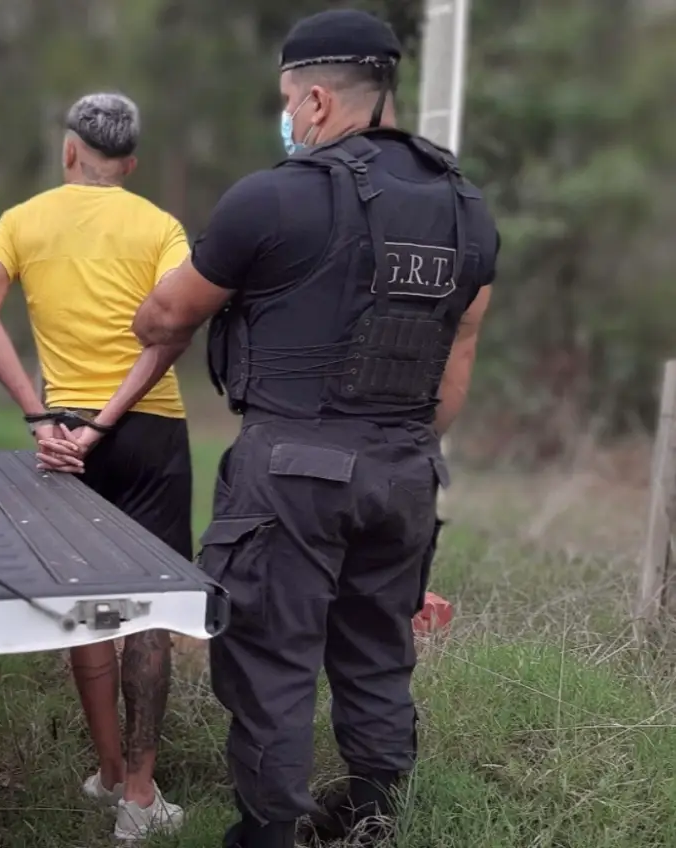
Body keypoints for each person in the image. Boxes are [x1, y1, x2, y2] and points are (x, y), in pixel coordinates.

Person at [127, 11, 500, 848]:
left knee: (271, 661)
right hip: (407, 468)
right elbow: (457, 363)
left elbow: (164, 316)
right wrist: (393, 442)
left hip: (291, 469)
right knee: (377, 655)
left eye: (290, 103)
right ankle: (372, 819)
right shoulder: (467, 212)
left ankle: (271, 834)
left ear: (320, 99)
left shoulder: (273, 198)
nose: (288, 118)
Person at [0, 92, 193, 841]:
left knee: (86, 603)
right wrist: (110, 417)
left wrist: (42, 415)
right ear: (129, 163)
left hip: (62, 432)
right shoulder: (160, 226)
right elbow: (175, 330)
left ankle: (104, 769)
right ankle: (138, 795)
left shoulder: (22, 221)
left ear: (70, 152)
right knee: (150, 609)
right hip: (148, 428)